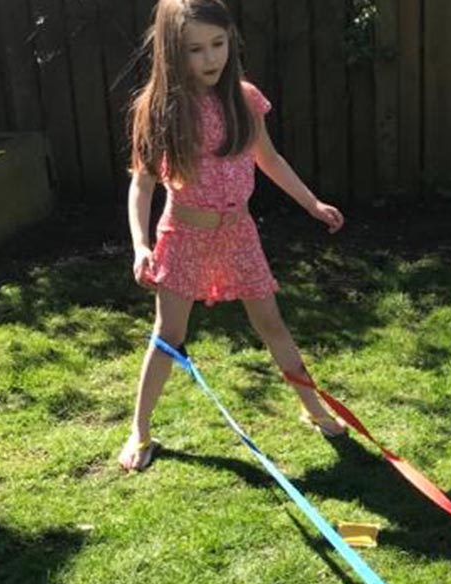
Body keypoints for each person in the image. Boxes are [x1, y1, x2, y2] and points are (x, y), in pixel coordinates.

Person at [118, 0, 346, 472]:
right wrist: (141, 245)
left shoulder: (244, 99)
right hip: (182, 234)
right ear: (170, 52)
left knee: (272, 324)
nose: (210, 59)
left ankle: (313, 407)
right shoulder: (158, 108)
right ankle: (139, 430)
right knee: (169, 334)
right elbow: (142, 184)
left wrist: (311, 204)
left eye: (218, 44)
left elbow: (270, 160)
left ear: (231, 42)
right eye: (195, 49)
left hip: (239, 233)